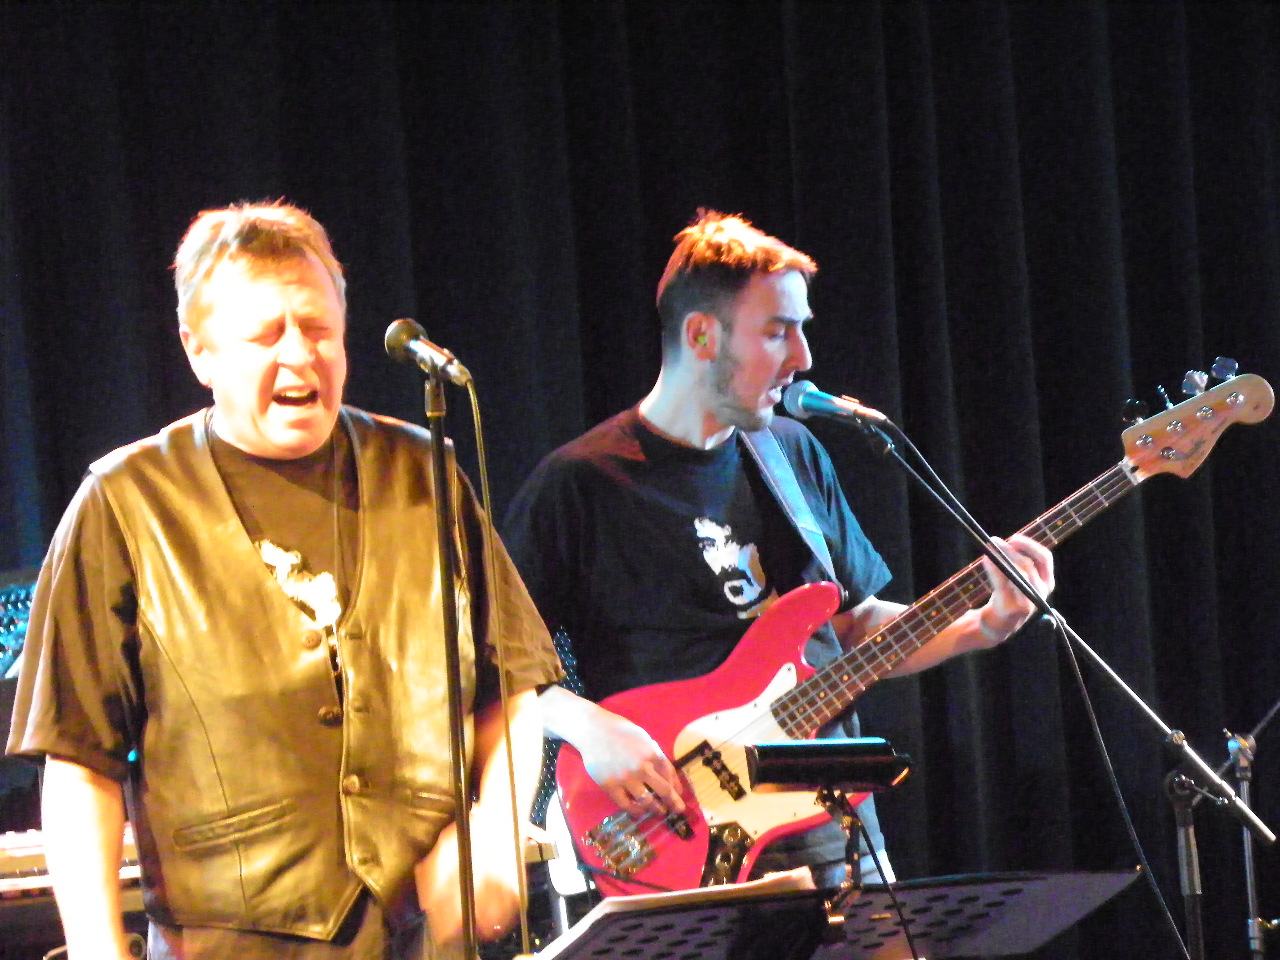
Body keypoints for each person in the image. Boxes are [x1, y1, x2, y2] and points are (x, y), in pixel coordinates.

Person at [6, 202, 562, 960]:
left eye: (319, 329)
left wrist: (494, 831)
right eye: (266, 335)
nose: (300, 355)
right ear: (199, 351)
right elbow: (79, 766)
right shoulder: (125, 504)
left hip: (421, 943)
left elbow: (511, 688)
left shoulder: (422, 473)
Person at [502, 210, 1054, 890]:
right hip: (678, 840)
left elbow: (851, 626)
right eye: (777, 331)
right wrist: (588, 727)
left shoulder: (791, 454)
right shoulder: (579, 484)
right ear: (701, 335)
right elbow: (491, 665)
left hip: (834, 831)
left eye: (801, 329)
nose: (803, 358)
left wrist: (984, 625)